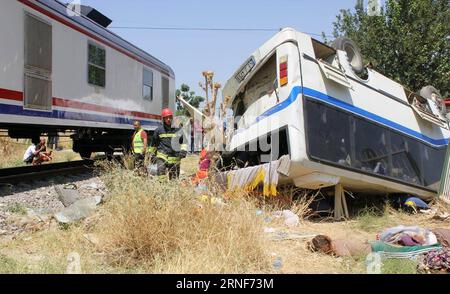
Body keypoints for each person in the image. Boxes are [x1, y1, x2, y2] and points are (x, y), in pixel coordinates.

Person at [148, 108, 188, 180]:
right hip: (162, 156)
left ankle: (172, 189)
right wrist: (151, 155)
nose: (168, 119)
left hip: (175, 157)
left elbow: (184, 142)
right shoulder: (158, 130)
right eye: (166, 118)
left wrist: (183, 151)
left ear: (172, 118)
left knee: (174, 179)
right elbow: (153, 143)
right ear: (163, 119)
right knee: (161, 174)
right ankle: (162, 188)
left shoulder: (178, 129)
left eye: (170, 117)